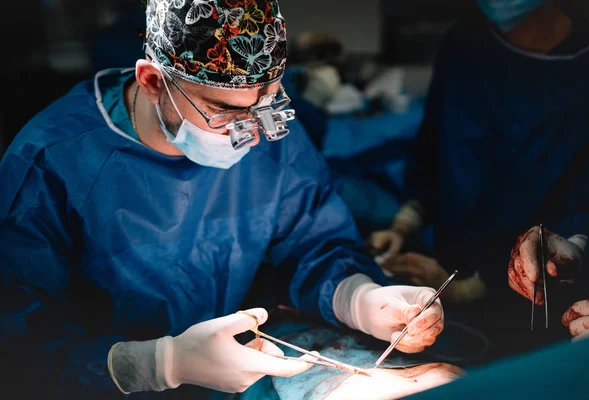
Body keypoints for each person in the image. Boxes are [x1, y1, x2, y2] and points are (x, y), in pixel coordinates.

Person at [0, 1, 445, 399]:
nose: (251, 131)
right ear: (153, 81)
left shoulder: (268, 131)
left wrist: (359, 297)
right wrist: (156, 364)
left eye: (267, 101)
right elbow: (17, 337)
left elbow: (311, 241)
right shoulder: (51, 162)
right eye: (225, 112)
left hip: (245, 371)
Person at [366, 0, 589, 357]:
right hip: (448, 272)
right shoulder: (466, 42)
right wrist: (404, 223)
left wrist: (577, 243)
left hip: (542, 305)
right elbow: (435, 145)